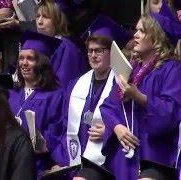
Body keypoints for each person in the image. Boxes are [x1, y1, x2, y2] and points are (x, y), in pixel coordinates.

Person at [100, 13, 181, 180]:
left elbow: (170, 113)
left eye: (141, 31)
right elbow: (108, 106)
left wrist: (139, 96)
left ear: (156, 38)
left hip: (154, 156)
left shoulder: (171, 69)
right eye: (136, 30)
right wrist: (116, 127)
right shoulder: (131, 69)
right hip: (123, 156)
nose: (135, 35)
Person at [64, 15, 131, 170]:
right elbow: (64, 124)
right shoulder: (75, 85)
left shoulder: (123, 84)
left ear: (112, 52)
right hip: (77, 160)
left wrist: (110, 133)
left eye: (99, 51)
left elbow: (131, 125)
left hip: (109, 162)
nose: (93, 55)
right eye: (90, 51)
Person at [9, 30, 66, 176]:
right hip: (8, 164)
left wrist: (45, 142)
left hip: (36, 166)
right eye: (21, 58)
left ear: (42, 64)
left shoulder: (55, 96)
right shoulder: (12, 94)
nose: (24, 63)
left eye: (30, 59)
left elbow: (58, 130)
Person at [36, 0, 88, 89]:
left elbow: (64, 86)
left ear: (57, 21)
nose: (39, 22)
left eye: (45, 17)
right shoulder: (37, 46)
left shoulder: (68, 49)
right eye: (37, 16)